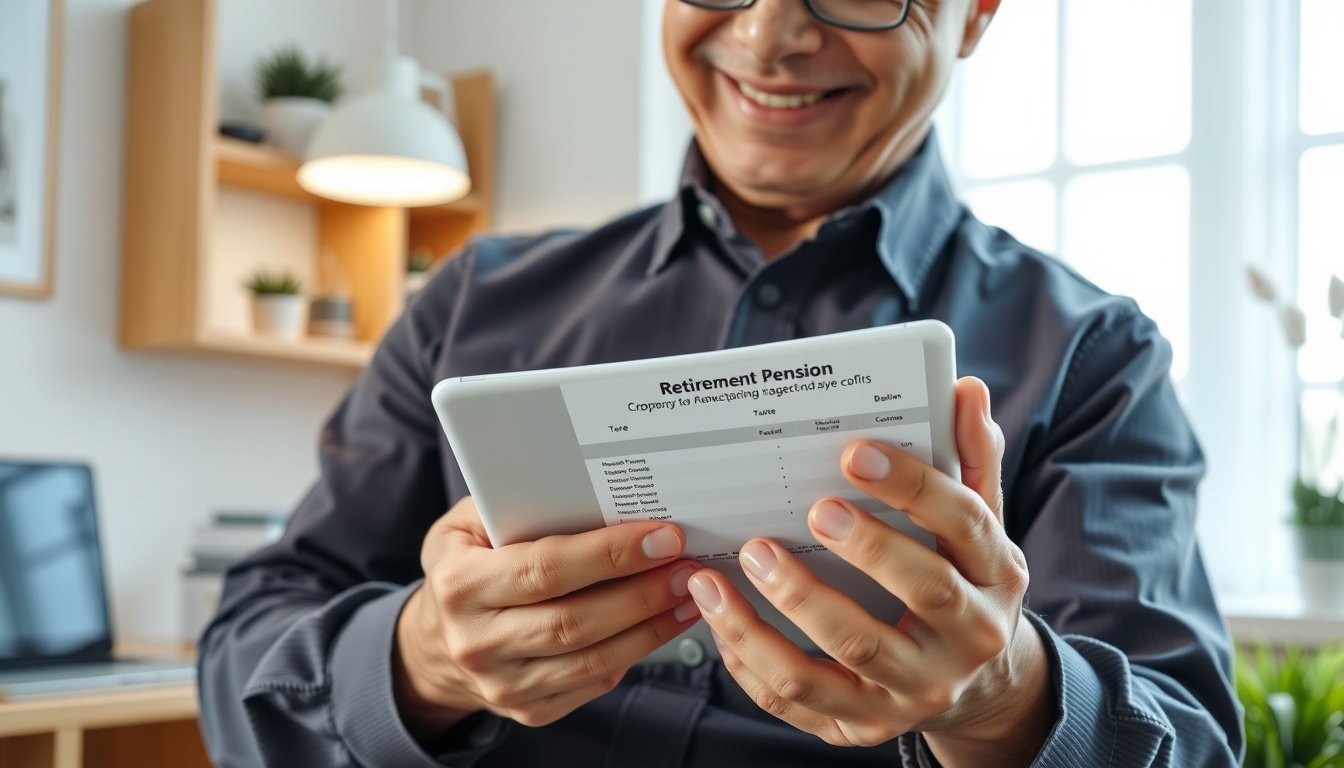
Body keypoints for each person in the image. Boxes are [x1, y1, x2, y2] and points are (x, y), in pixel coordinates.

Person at [198, 1, 1243, 765]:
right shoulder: (472, 300)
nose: (769, 33)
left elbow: (1189, 739)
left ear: (973, 13)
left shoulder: (1096, 357)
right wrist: (421, 659)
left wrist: (1005, 698)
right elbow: (243, 659)